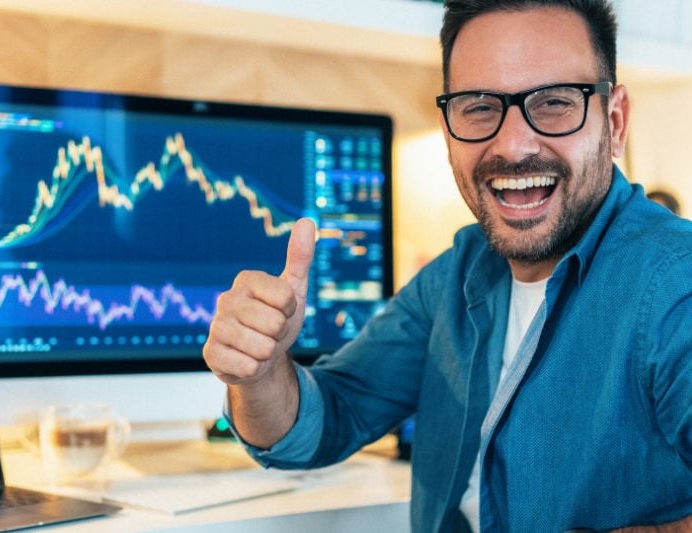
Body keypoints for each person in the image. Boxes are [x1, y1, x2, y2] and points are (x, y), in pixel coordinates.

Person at [202, 0, 692, 531]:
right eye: (479, 107)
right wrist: (260, 376)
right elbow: (325, 423)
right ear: (448, 129)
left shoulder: (674, 285)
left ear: (614, 122)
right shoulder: (458, 272)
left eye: (554, 103)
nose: (513, 144)